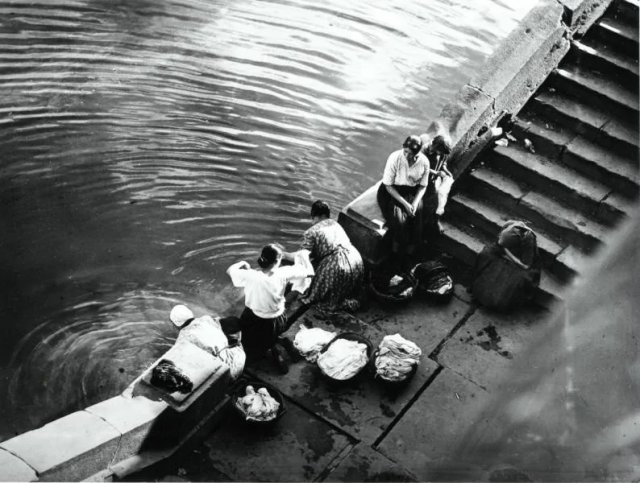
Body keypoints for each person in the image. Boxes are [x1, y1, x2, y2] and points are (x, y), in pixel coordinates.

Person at [227, 244, 308, 373]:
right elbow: (309, 272)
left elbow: (230, 270)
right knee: (270, 335)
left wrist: (242, 263)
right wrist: (304, 257)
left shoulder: (251, 275)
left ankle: (272, 350)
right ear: (277, 261)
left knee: (250, 341)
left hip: (254, 317)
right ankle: (278, 344)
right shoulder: (284, 272)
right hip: (277, 319)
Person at [285, 200, 365, 313]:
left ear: (315, 216)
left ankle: (343, 303)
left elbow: (302, 257)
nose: (312, 221)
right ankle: (351, 300)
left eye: (312, 218)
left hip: (336, 265)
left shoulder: (311, 232)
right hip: (356, 259)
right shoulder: (336, 224)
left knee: (316, 299)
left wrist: (283, 254)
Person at [377, 135, 431, 268]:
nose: (407, 156)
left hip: (412, 192)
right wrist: (406, 205)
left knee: (418, 224)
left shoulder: (424, 162)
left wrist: (415, 203)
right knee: (399, 224)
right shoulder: (395, 157)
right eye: (406, 152)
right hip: (393, 192)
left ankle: (410, 255)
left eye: (411, 154)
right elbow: (388, 185)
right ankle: (398, 258)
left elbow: (423, 186)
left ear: (417, 153)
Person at [472, 220, 541, 312]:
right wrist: (503, 249)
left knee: (514, 279)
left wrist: (508, 255)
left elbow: (526, 265)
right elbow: (499, 243)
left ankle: (497, 302)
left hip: (520, 260)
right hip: (505, 250)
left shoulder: (528, 239)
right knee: (486, 255)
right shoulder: (509, 226)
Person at [420, 133, 453, 235]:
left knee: (438, 201)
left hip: (432, 181)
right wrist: (436, 173)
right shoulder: (423, 151)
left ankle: (435, 220)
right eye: (440, 151)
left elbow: (443, 163)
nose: (441, 154)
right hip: (420, 181)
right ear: (435, 147)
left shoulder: (442, 153)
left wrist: (447, 172)